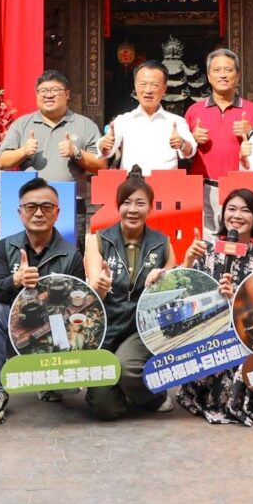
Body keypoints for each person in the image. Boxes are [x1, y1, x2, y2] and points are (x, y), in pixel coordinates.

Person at [0, 179, 84, 425]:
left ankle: (49, 379)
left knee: (68, 387)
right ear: (20, 212)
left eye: (46, 207)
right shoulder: (4, 247)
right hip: (14, 324)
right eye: (31, 207)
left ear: (57, 212)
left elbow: (76, 306)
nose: (38, 213)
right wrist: (15, 281)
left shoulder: (71, 255)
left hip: (51, 328)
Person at [178, 189, 253, 426]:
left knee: (244, 372)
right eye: (231, 209)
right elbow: (184, 295)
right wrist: (187, 262)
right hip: (210, 337)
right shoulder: (206, 251)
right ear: (223, 214)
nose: (237, 215)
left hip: (248, 338)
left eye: (245, 210)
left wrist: (236, 300)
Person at [82, 169, 174, 420]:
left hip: (142, 330)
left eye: (140, 203)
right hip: (107, 329)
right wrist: (99, 287)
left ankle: (153, 395)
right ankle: (125, 391)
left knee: (126, 367)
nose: (133, 209)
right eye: (126, 202)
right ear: (118, 206)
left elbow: (172, 291)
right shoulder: (98, 240)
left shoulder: (163, 244)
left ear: (150, 208)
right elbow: (94, 290)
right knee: (106, 409)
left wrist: (161, 281)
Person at [185, 49, 253, 230]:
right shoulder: (194, 111)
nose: (223, 75)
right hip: (206, 188)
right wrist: (192, 140)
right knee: (208, 240)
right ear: (209, 76)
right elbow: (182, 153)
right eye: (217, 70)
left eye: (228, 70)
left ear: (238, 75)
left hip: (242, 189)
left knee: (238, 239)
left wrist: (251, 132)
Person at [0, 71, 105, 192]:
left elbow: (101, 165)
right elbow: (1, 162)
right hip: (31, 199)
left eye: (55, 90)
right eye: (43, 91)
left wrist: (76, 153)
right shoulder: (21, 124)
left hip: (72, 199)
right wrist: (24, 151)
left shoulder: (85, 125)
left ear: (67, 94)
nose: (48, 95)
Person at [98, 61, 196, 176]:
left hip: (166, 184)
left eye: (154, 85)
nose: (148, 90)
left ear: (164, 89)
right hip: (132, 184)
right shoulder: (123, 120)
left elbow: (190, 151)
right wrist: (104, 145)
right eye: (143, 84)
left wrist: (182, 143)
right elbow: (106, 152)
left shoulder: (176, 122)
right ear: (135, 86)